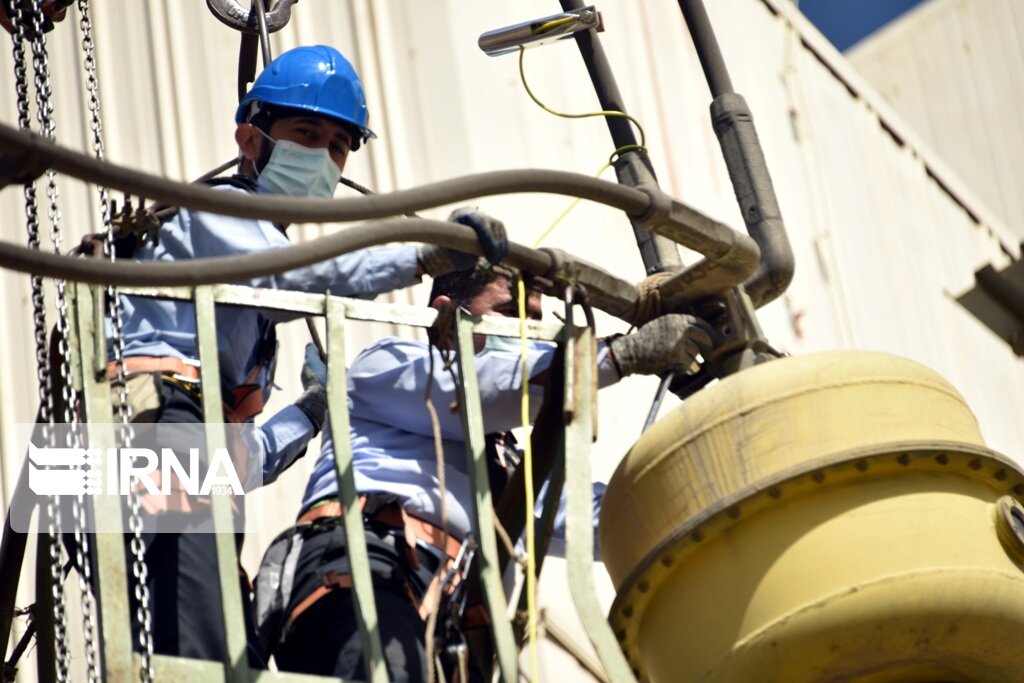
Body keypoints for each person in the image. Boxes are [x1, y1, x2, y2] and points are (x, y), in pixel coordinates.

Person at [104, 45, 508, 665]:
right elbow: (301, 274)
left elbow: (247, 460)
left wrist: (313, 411)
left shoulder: (229, 343)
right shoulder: (217, 216)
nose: (324, 156)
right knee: (205, 658)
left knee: (222, 651)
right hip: (141, 440)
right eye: (307, 132)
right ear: (250, 139)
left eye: (340, 146)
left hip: (160, 460)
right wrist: (422, 254)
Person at [256, 264, 713, 681]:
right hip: (365, 572)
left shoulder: (507, 467)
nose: (527, 331)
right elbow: (479, 393)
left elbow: (604, 520)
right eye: (508, 311)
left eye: (534, 318)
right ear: (445, 319)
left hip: (449, 629)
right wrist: (616, 357)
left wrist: (714, 480)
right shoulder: (387, 365)